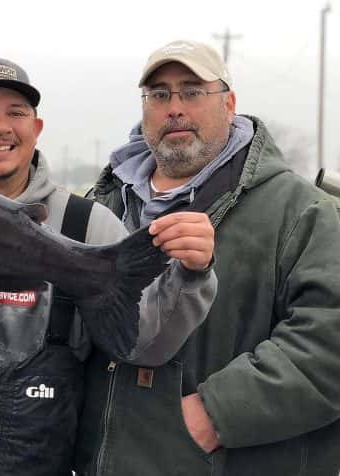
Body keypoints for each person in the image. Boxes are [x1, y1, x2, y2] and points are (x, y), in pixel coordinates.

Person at [0, 56, 218, 476]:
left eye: (16, 113)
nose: (1, 126)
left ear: (36, 128)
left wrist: (192, 275)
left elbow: (144, 345)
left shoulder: (88, 226)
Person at [74, 40, 340, 476]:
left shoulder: (303, 212)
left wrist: (218, 413)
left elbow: (328, 341)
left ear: (229, 103)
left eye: (192, 91)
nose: (174, 107)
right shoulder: (102, 206)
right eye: (159, 94)